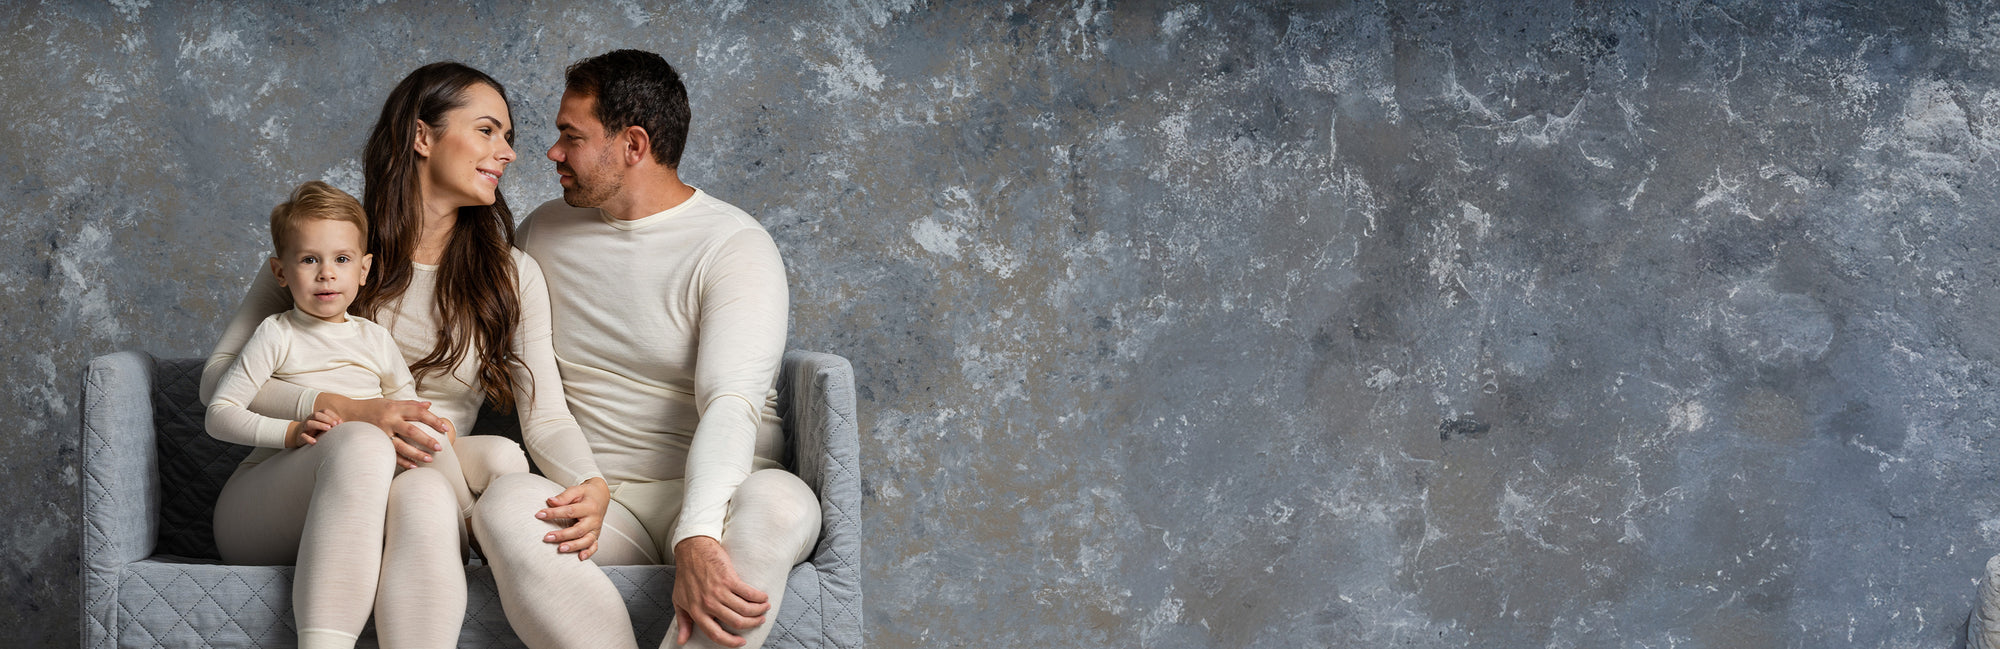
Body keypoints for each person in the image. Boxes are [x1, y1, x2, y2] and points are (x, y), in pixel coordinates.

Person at [202, 62, 603, 649]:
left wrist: (591, 482)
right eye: (489, 130)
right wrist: (351, 409)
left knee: (427, 494)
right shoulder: (330, 248)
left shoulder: (511, 275)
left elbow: (545, 414)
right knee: (365, 444)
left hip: (427, 485)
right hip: (281, 492)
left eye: (510, 137)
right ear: (422, 137)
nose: (509, 152)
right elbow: (219, 384)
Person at [472, 50, 821, 649]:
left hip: (736, 489)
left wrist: (699, 533)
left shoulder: (733, 244)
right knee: (506, 505)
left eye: (570, 136)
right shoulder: (541, 232)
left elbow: (730, 403)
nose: (552, 153)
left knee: (782, 506)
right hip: (606, 501)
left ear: (633, 145)